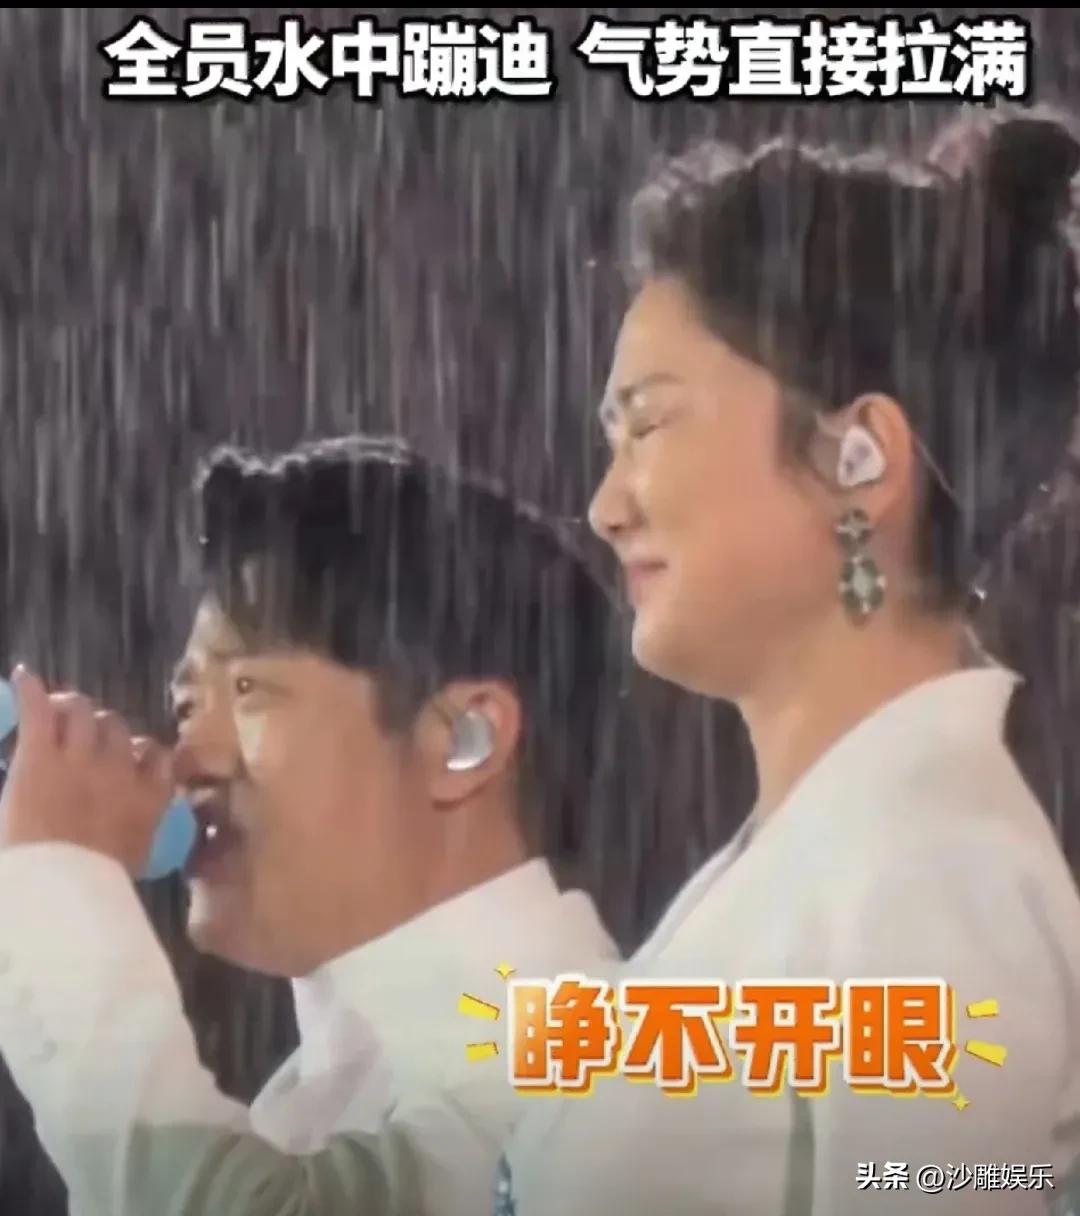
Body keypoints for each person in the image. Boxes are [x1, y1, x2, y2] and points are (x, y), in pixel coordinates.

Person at [498, 112, 1080, 1215]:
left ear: (860, 459)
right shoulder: (829, 852)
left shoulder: (929, 876)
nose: (606, 506)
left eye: (649, 425)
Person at [0, 434, 624, 1215]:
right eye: (187, 706)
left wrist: (57, 885)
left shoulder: (596, 1059)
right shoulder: (304, 1100)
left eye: (249, 690)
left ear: (464, 740)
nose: (187, 759)